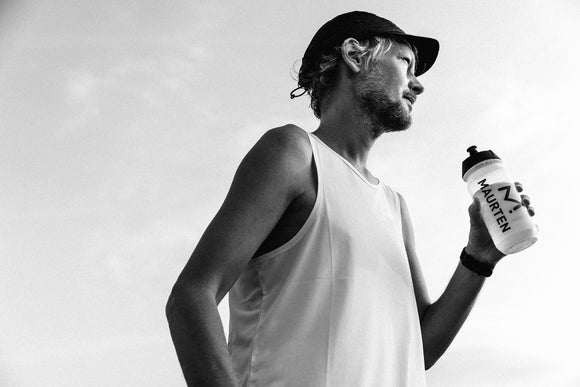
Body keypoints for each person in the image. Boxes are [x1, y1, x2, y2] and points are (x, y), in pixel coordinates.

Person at [166, 10, 534, 387]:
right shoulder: (293, 153)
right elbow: (191, 297)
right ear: (355, 56)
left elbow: (417, 347)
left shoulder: (394, 205)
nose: (417, 84)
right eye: (406, 63)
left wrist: (479, 258)